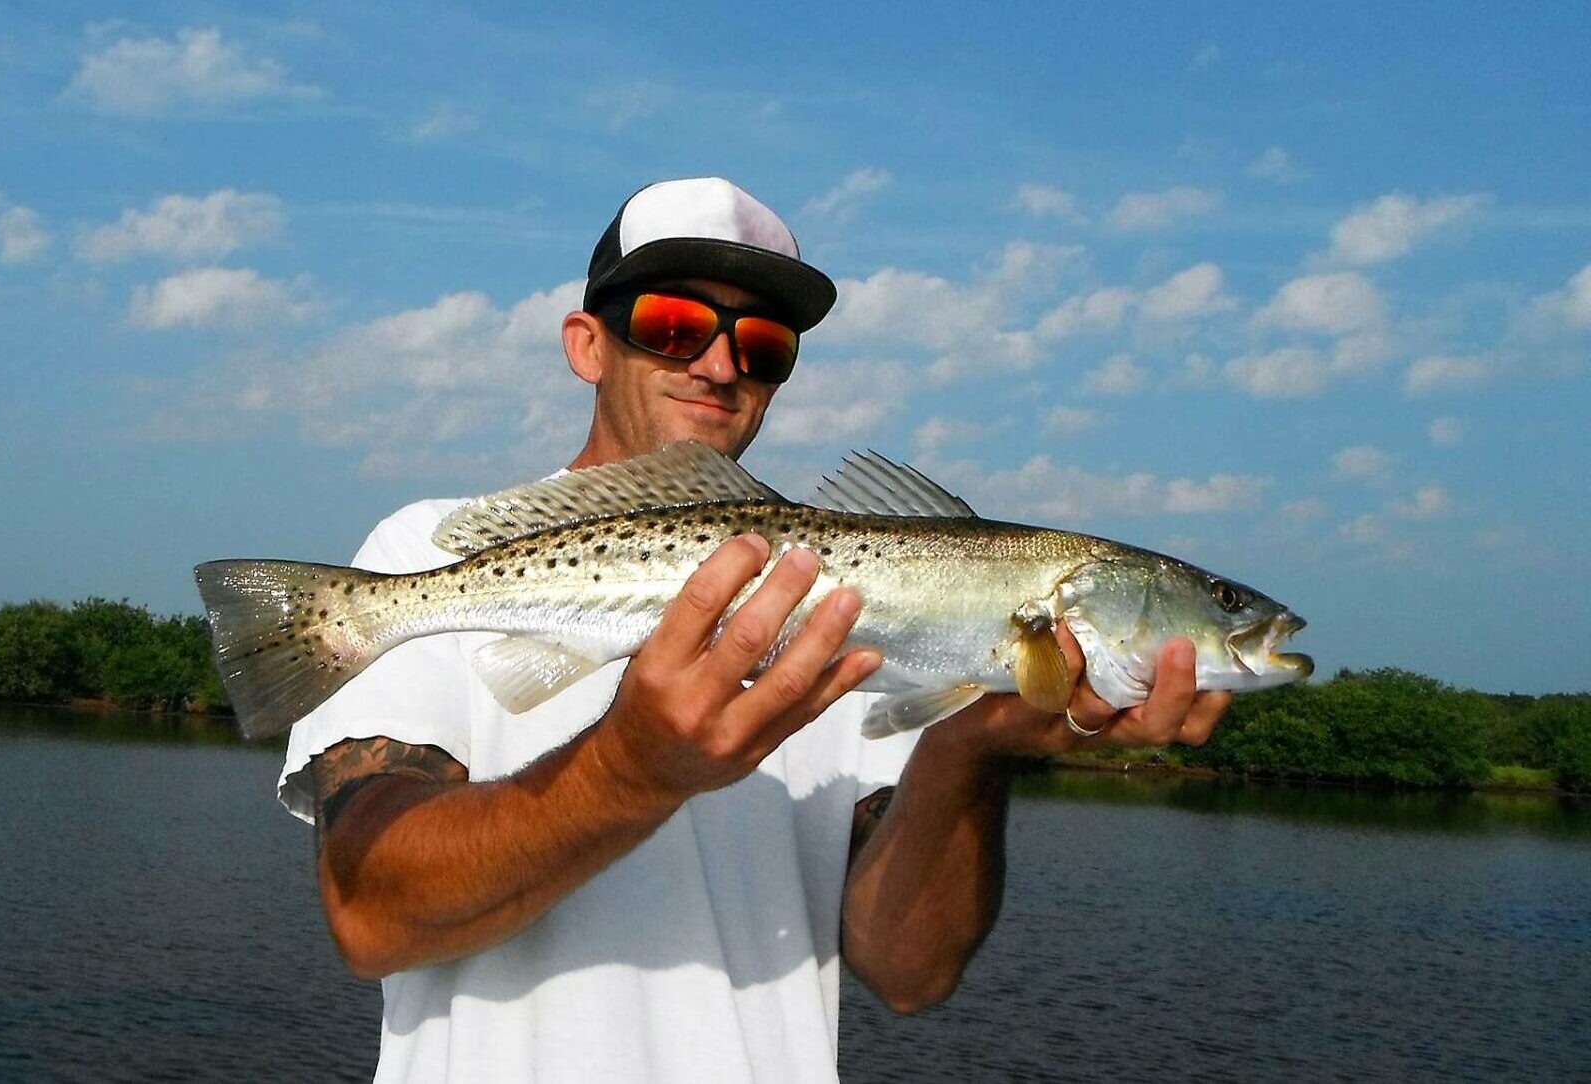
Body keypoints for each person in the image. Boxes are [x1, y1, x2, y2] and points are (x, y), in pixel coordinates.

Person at [276, 177, 1232, 1083]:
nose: (721, 364)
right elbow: (369, 915)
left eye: (764, 343)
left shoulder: (867, 621)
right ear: (586, 345)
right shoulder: (418, 553)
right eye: (673, 325)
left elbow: (909, 971)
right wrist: (633, 767)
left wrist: (971, 747)